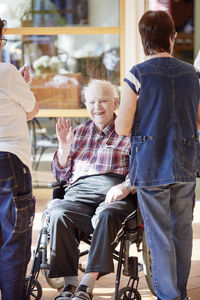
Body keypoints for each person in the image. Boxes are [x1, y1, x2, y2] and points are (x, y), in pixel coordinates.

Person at [115, 10, 200, 300]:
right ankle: (180, 293)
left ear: (144, 39)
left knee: (159, 235)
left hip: (151, 162)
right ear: (171, 37)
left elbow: (123, 126)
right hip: (186, 159)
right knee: (182, 232)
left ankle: (169, 296)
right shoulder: (193, 74)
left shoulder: (136, 75)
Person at [48, 79, 136, 300]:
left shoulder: (128, 131)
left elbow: (143, 168)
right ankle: (69, 286)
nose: (97, 107)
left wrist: (126, 186)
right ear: (85, 105)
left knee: (107, 214)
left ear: (115, 103)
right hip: (79, 193)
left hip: (114, 193)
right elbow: (60, 175)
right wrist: (64, 147)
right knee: (59, 213)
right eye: (92, 102)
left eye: (104, 101)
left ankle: (86, 285)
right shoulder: (77, 132)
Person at [0, 19, 39, 300]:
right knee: (14, 239)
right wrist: (24, 85)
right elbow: (32, 110)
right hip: (9, 161)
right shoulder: (6, 72)